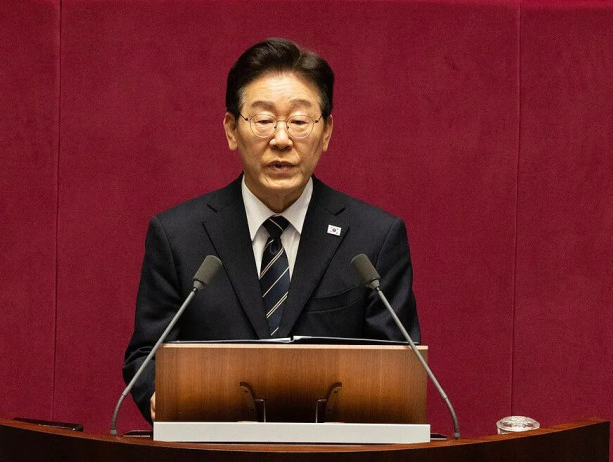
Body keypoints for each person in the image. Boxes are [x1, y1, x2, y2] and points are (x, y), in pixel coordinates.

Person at [123, 38, 420, 423]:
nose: (281, 140)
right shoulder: (178, 236)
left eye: (299, 121)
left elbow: (399, 365)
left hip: (332, 453)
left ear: (326, 132)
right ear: (232, 130)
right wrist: (159, 393)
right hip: (213, 450)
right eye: (263, 121)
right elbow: (146, 355)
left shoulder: (374, 239)